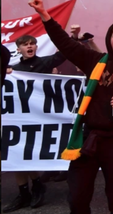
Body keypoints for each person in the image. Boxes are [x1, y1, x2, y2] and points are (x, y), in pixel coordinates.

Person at [27, 0, 113, 214]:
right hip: (89, 137)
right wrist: (44, 14)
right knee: (77, 196)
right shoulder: (95, 60)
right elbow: (65, 43)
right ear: (109, 39)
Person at [2, 34, 64, 212]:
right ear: (18, 48)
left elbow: (64, 53)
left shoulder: (45, 62)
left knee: (28, 153)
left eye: (32, 44)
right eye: (25, 44)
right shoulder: (13, 69)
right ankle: (25, 192)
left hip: (41, 118)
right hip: (19, 118)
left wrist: (73, 37)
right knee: (15, 153)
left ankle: (36, 186)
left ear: (36, 47)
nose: (29, 47)